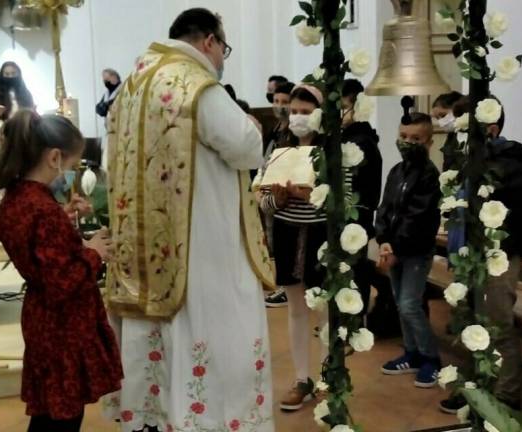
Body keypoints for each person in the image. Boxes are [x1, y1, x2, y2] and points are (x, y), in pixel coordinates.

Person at [104, 8, 274, 431]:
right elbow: (247, 148)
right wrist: (252, 123)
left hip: (143, 254)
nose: (221, 61)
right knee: (212, 331)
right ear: (209, 42)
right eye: (224, 50)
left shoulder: (130, 86)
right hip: (201, 249)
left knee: (160, 341)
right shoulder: (197, 86)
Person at [0, 111, 122, 432]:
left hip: (42, 321)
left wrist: (62, 217)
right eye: (71, 165)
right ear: (54, 157)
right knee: (62, 418)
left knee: (50, 412)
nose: (69, 174)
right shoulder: (42, 209)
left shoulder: (18, 198)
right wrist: (93, 253)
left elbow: (37, 246)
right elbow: (61, 281)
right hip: (62, 327)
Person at [440, 97, 522, 413]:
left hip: (497, 254)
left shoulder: (511, 163)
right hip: (466, 252)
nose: (457, 138)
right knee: (469, 322)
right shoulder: (462, 159)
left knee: (497, 321)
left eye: (464, 131)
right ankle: (473, 386)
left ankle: (506, 391)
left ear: (492, 130)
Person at [258, 84, 351, 411]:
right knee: (295, 308)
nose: (298, 117)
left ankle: (328, 377)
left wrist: (309, 195)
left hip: (319, 237)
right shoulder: (279, 150)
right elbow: (263, 200)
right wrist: (278, 197)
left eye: (305, 111)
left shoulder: (333, 153)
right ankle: (302, 379)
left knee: (324, 309)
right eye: (294, 111)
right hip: (286, 233)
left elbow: (345, 204)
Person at [376, 112, 442, 388]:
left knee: (409, 304)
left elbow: (418, 217)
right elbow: (385, 209)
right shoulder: (396, 171)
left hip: (415, 251)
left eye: (415, 139)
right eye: (403, 137)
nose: (407, 142)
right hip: (394, 249)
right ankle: (411, 353)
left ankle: (430, 358)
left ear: (428, 143)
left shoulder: (429, 175)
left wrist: (397, 246)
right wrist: (383, 239)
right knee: (400, 303)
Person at [341, 78, 383, 313]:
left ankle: (354, 320)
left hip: (356, 217)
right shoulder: (346, 137)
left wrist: (358, 218)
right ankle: (344, 317)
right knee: (345, 270)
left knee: (356, 272)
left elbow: (366, 189)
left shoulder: (363, 142)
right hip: (346, 215)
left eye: (342, 107)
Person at [262, 81, 296, 308]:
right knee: (272, 239)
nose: (280, 106)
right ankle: (280, 284)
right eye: (276, 101)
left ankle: (287, 289)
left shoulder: (293, 133)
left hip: (286, 196)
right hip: (269, 194)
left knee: (285, 245)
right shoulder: (275, 129)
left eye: (285, 102)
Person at [431, 91, 465, 171]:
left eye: (443, 115)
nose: (441, 122)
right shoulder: (451, 137)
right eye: (437, 118)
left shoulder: (473, 135)